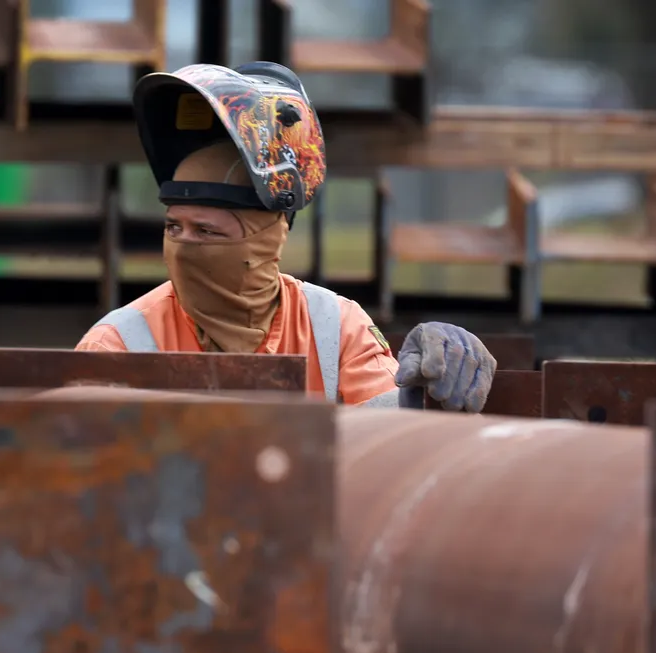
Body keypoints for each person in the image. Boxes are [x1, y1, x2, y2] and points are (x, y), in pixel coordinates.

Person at [75, 61, 497, 411]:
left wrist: (423, 392)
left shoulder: (335, 327)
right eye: (174, 227)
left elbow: (389, 437)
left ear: (268, 238)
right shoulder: (117, 344)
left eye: (207, 231)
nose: (184, 247)